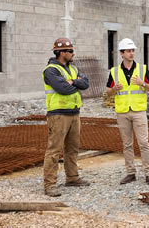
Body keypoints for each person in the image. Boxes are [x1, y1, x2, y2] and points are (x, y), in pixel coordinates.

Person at [42, 37, 90, 197]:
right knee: (54, 150)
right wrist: (74, 84)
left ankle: (72, 178)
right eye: (69, 51)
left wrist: (73, 82)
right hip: (58, 115)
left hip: (74, 113)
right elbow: (63, 89)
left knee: (73, 148)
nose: (72, 53)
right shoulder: (51, 70)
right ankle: (49, 185)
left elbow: (86, 83)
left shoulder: (73, 68)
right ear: (61, 53)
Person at [105, 38, 149, 185]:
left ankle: (148, 173)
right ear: (121, 53)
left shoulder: (143, 69)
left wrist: (142, 83)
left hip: (139, 110)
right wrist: (114, 89)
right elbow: (108, 92)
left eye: (133, 50)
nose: (131, 53)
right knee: (127, 144)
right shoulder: (114, 72)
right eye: (128, 51)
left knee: (143, 142)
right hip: (122, 112)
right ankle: (130, 173)